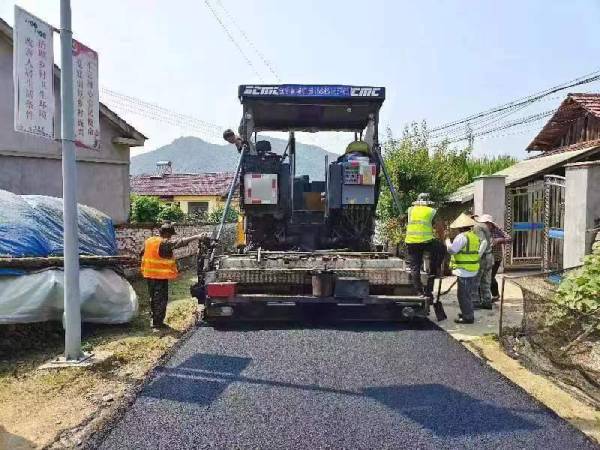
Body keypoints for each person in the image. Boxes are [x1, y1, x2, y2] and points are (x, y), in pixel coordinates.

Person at [140, 222, 212, 330]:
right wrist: (197, 236)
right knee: (160, 299)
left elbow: (141, 253)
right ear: (166, 233)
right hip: (159, 276)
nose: (170, 237)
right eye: (170, 235)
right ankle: (157, 323)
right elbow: (180, 242)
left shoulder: (149, 240)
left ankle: (154, 320)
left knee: (153, 298)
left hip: (149, 274)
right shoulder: (163, 242)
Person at [445, 213, 486, 324]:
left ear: (460, 227)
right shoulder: (473, 236)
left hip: (464, 270)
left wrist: (447, 242)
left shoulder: (462, 237)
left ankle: (468, 317)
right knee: (467, 294)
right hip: (472, 269)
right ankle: (466, 312)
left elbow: (452, 250)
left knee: (463, 295)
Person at [404, 193, 444, 299]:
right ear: (428, 202)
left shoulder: (410, 210)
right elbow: (439, 228)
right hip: (427, 242)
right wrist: (442, 240)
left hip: (411, 242)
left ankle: (419, 292)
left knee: (414, 267)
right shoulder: (431, 211)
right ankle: (431, 282)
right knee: (440, 250)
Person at [484, 216, 511, 301]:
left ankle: (495, 295)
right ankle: (493, 295)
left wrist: (498, 240)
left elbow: (509, 238)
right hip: (486, 257)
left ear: (490, 223)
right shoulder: (482, 230)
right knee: (487, 276)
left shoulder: (497, 229)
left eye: (486, 223)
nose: (485, 225)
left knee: (490, 276)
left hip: (496, 258)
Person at [473, 214, 493, 310]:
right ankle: (487, 301)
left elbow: (483, 242)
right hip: (489, 256)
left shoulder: (478, 227)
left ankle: (475, 302)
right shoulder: (486, 228)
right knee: (486, 281)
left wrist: (477, 257)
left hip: (483, 257)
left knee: (476, 281)